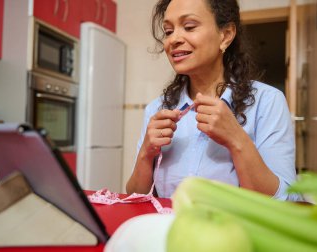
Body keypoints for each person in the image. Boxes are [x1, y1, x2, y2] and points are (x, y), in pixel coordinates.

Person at [126, 0, 298, 201]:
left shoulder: (268, 102)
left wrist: (236, 140)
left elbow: (286, 201)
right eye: (168, 31)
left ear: (225, 35)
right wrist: (146, 154)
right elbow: (134, 198)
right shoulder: (157, 109)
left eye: (189, 27)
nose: (174, 39)